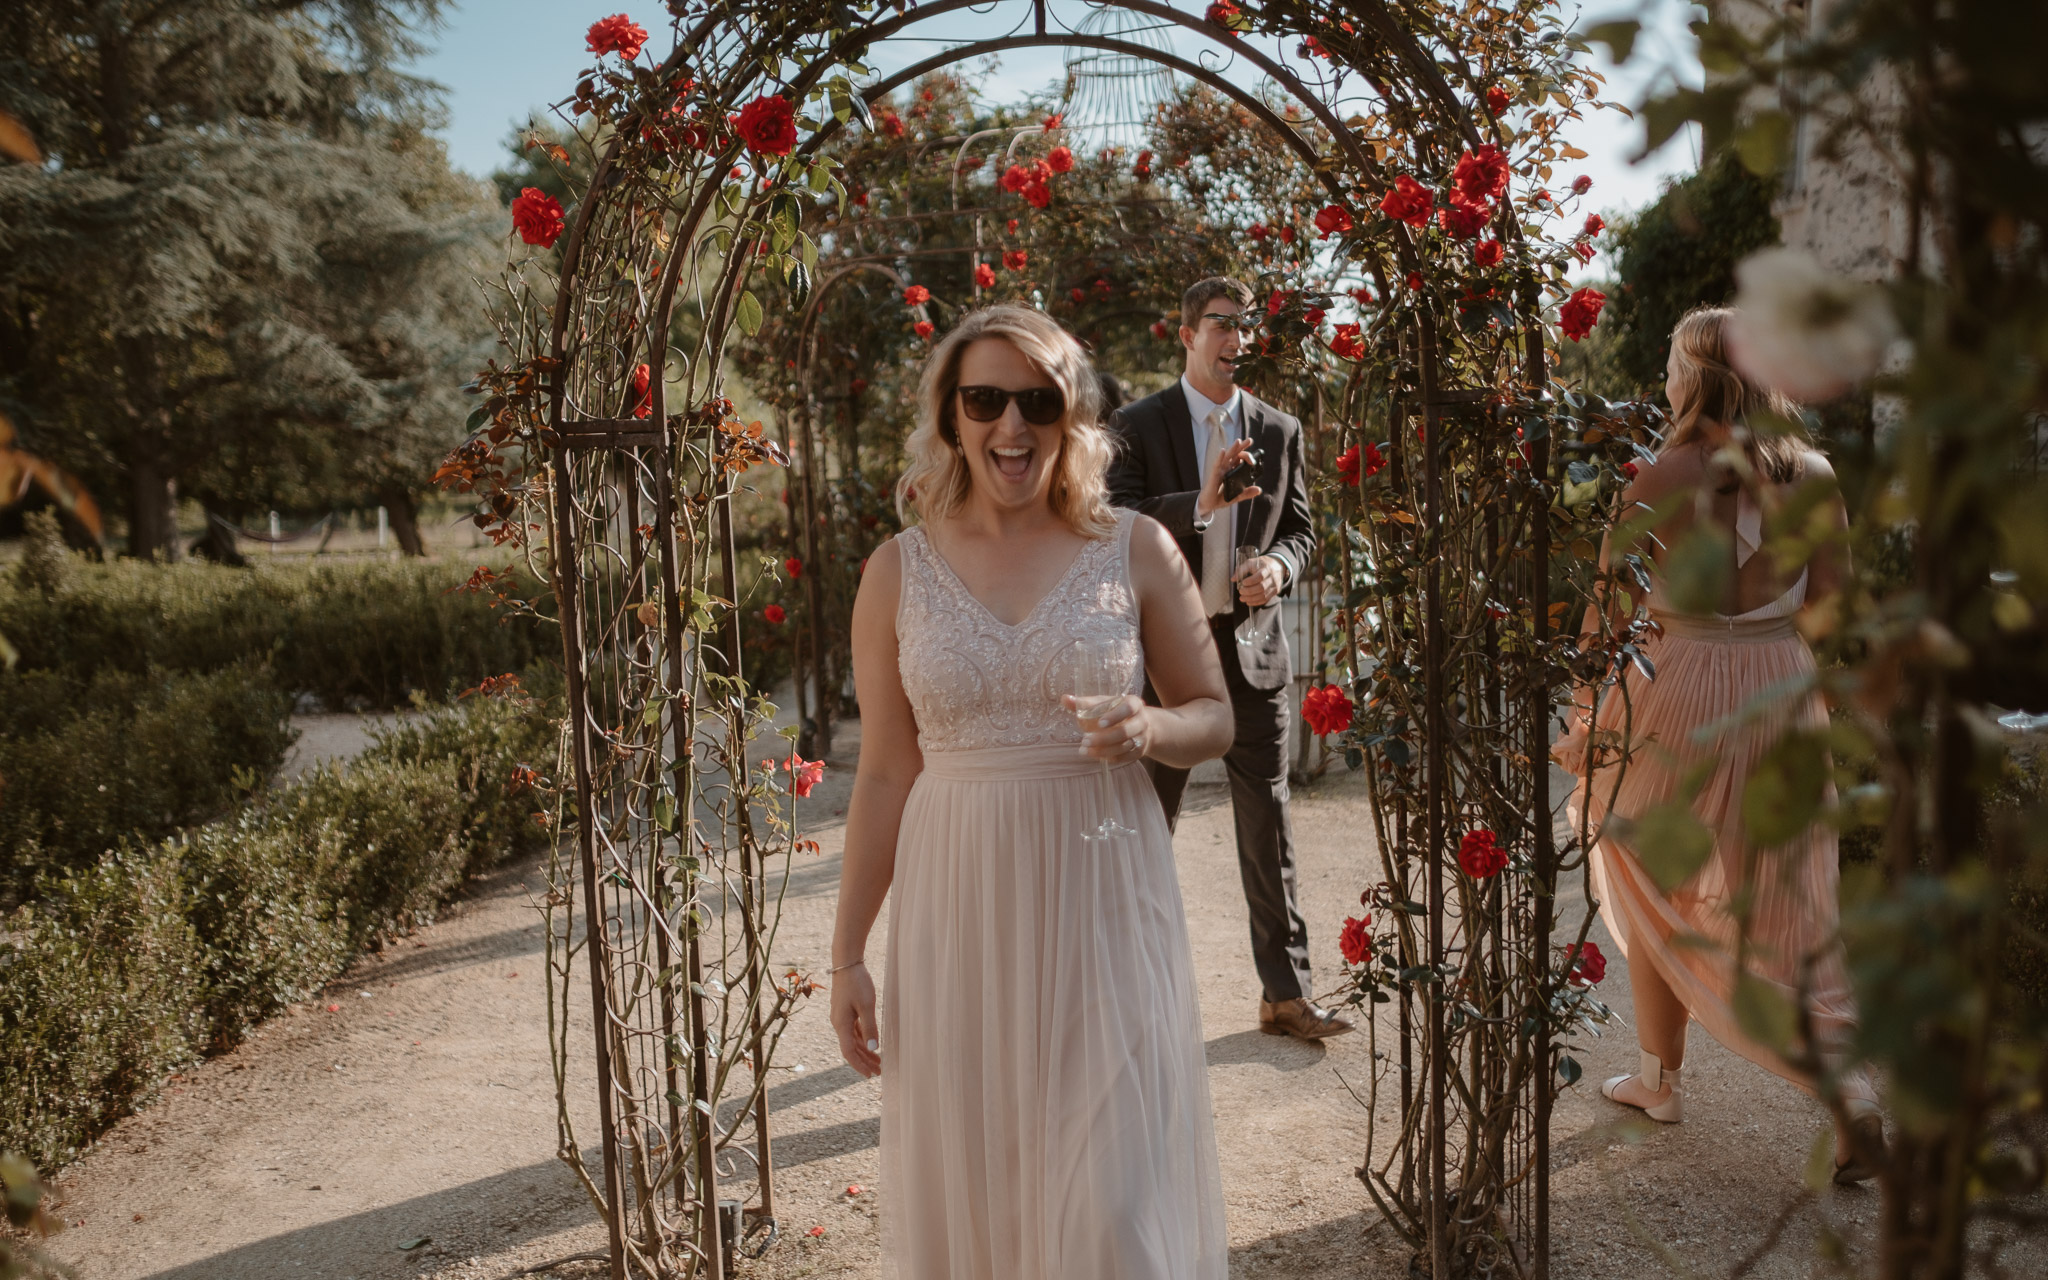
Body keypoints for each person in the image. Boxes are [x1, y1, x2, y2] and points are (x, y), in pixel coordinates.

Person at [827, 304, 1233, 1276]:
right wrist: (846, 955)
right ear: (951, 414)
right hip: (956, 906)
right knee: (982, 1177)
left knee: (1110, 1198)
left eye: (1037, 401)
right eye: (985, 399)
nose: (1012, 426)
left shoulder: (1134, 545)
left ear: (1071, 414)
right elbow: (885, 770)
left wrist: (1150, 727)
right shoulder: (895, 570)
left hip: (1101, 893)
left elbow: (1212, 713)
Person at [1554, 306, 1883, 1183]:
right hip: (1779, 688)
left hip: (1674, 692)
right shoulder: (1814, 473)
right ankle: (1849, 1099)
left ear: (1691, 376)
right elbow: (1833, 612)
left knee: (1648, 873)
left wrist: (1584, 715)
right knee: (1791, 905)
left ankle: (1662, 1079)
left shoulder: (1653, 476)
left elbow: (1604, 623)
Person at [1105, 276, 1350, 1041]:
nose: (1235, 339)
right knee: (1145, 823)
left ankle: (1286, 994)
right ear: (1186, 334)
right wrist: (1201, 506)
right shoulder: (1138, 425)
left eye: (1244, 327)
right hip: (1166, 663)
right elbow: (1114, 522)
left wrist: (1279, 568)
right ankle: (1122, 996)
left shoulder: (1279, 429)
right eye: (1220, 324)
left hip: (1253, 652)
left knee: (1267, 822)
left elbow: (1302, 531)